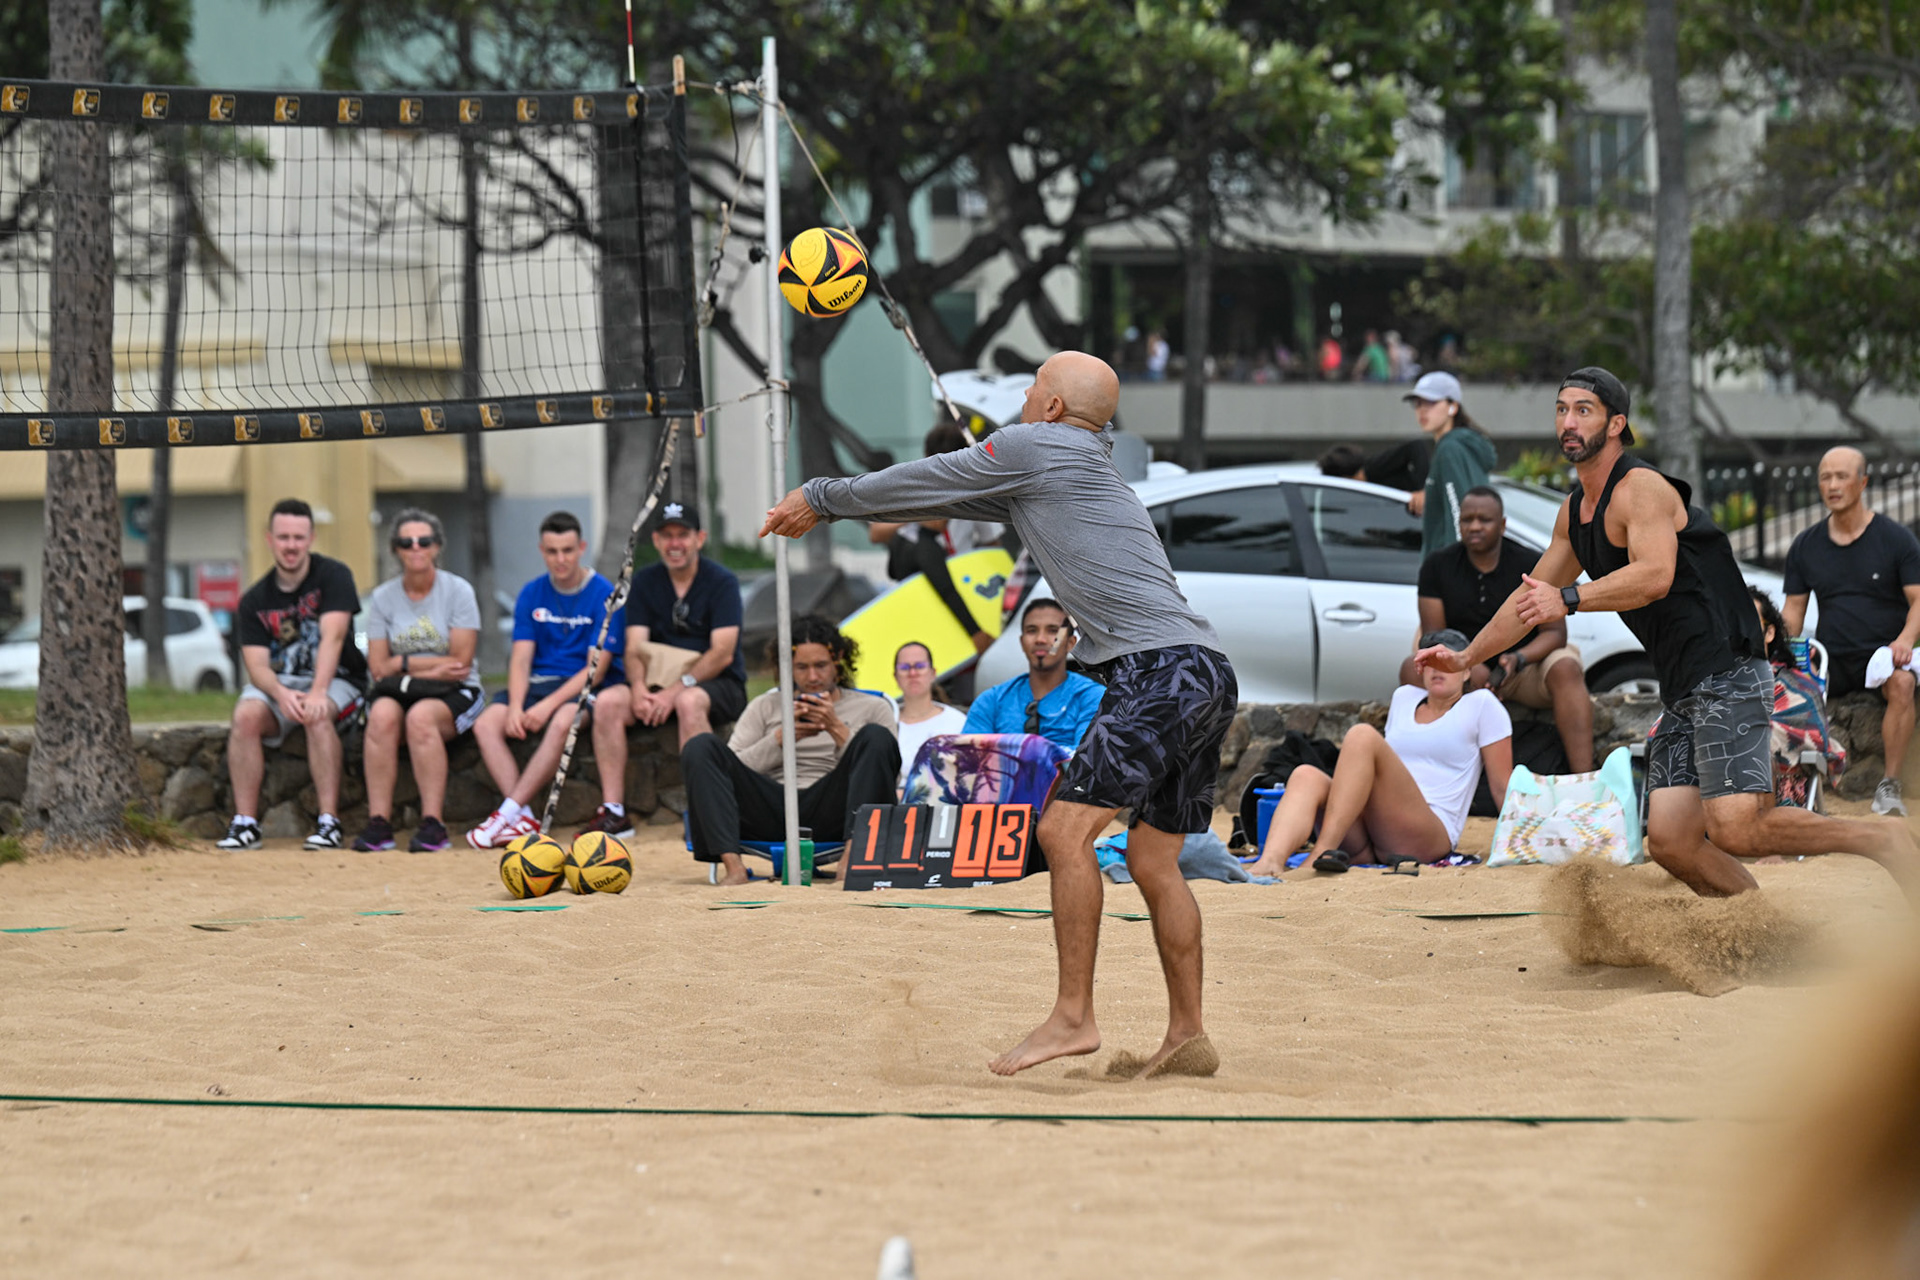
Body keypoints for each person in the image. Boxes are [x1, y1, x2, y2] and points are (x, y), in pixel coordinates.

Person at [763, 349, 1238, 1080]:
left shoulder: (1033, 446)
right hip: (1206, 669)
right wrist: (860, 503)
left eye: (1033, 387)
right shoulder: (1081, 462)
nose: (1021, 395)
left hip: (1159, 672)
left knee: (1061, 830)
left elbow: (928, 476)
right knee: (1151, 857)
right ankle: (1187, 1034)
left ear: (1050, 409)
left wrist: (821, 495)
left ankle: (1074, 1019)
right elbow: (946, 496)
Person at [1416, 366, 1916, 898]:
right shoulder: (1574, 513)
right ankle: (1758, 926)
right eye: (1562, 410)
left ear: (1615, 424)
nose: (1569, 421)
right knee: (1673, 841)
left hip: (1728, 670)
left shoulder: (1643, 489)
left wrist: (1568, 597)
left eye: (1583, 410)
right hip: (1681, 688)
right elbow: (1527, 603)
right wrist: (1467, 656)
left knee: (1737, 826)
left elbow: (1654, 576)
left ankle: (1881, 838)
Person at [1249, 629, 1511, 876]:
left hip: (1429, 832)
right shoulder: (1404, 697)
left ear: (1466, 672)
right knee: (1305, 774)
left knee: (1362, 736)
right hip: (1374, 835)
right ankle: (1270, 861)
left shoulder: (1481, 705)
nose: (1437, 669)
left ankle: (1321, 850)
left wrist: (1516, 844)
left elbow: (1501, 786)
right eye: (1429, 661)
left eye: (1447, 662)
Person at [680, 615, 901, 886]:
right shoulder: (766, 706)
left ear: (838, 660)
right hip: (772, 808)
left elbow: (888, 776)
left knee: (876, 737)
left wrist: (836, 729)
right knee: (701, 746)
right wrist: (780, 739)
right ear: (787, 666)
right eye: (801, 667)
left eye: (821, 666)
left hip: (837, 809)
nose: (812, 677)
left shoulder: (872, 707)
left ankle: (850, 862)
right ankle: (733, 868)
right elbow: (728, 769)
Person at [466, 512, 634, 848]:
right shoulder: (531, 593)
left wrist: (544, 707)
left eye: (568, 550)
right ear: (542, 550)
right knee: (486, 724)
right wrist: (515, 706)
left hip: (582, 687)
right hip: (537, 684)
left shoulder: (604, 593)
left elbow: (595, 669)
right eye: (553, 551)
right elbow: (521, 658)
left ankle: (506, 813)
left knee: (559, 722)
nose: (561, 559)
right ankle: (524, 816)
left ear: (582, 548)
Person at [1402, 486, 1594, 772]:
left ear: (1503, 525)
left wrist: (1518, 659)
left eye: (1484, 519)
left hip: (1523, 668)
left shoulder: (1531, 563)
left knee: (1566, 668)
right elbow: (1434, 638)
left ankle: (1585, 778)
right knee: (1410, 669)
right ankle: (1424, 772)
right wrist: (1469, 664)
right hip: (1462, 667)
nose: (1475, 526)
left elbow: (1555, 634)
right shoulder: (1437, 566)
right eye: (1467, 520)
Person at [216, 498, 368, 851]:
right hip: (282, 684)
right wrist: (282, 696)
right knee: (246, 716)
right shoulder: (254, 599)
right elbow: (256, 667)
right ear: (269, 539)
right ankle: (246, 823)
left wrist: (317, 692)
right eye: (283, 537)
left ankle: (329, 822)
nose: (291, 545)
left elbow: (333, 637)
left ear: (311, 538)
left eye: (298, 537)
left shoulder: (334, 576)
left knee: (316, 716)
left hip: (338, 678)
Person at [1782, 446, 1920, 816]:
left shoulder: (1896, 539)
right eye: (1825, 477)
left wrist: (1904, 642)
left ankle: (1889, 786)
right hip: (1832, 661)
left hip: (1881, 658)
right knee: (1779, 691)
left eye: (1842, 476)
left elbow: (1918, 600)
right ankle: (1791, 791)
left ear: (1863, 482)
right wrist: (1780, 658)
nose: (1832, 485)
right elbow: (1793, 611)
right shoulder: (1805, 545)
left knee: (1904, 683)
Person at [353, 509, 485, 853]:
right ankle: (379, 823)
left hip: (456, 690)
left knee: (420, 719)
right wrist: (421, 666)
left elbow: (460, 662)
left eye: (423, 541)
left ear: (437, 546)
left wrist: (404, 662)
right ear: (395, 549)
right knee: (381, 718)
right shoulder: (383, 597)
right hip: (401, 688)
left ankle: (433, 824)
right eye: (406, 542)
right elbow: (380, 667)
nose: (415, 548)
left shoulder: (458, 591)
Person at [867, 422, 1002, 656]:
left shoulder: (976, 491)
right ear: (927, 458)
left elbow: (993, 547)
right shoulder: (910, 485)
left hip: (963, 584)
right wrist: (916, 515)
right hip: (918, 585)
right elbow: (876, 533)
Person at [622, 501, 748, 751]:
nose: (674, 544)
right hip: (655, 682)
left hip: (718, 683)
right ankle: (611, 792)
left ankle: (703, 789)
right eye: (667, 536)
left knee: (688, 702)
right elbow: (634, 648)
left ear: (700, 539)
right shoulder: (643, 582)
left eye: (683, 535)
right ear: (656, 540)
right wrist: (637, 687)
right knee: (607, 704)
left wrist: (675, 691)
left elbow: (722, 654)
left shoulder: (722, 582)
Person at [962, 598, 1106, 750]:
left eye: (1052, 631)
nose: (1040, 639)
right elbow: (969, 760)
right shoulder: (991, 701)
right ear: (1022, 642)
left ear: (1071, 643)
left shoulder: (1092, 697)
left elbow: (1086, 763)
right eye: (1032, 630)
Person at [1751, 586, 1847, 809]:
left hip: (1769, 790)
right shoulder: (1713, 681)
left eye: (1750, 624)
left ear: (1770, 633)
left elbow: (1810, 730)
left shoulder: (1796, 685)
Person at [1402, 370, 1495, 558]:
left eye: (1431, 402)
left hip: (1449, 571)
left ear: (1453, 406)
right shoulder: (1463, 447)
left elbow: (1459, 513)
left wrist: (1454, 573)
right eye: (1418, 403)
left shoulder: (1449, 449)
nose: (1422, 410)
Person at [891, 640, 966, 792]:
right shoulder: (885, 719)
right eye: (904, 668)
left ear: (933, 673)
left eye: (920, 666)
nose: (913, 673)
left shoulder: (957, 721)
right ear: (895, 677)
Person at [1317, 438, 1432, 495]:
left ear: (1345, 477)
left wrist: (1421, 491)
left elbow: (1416, 447)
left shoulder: (1373, 467)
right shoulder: (1368, 484)